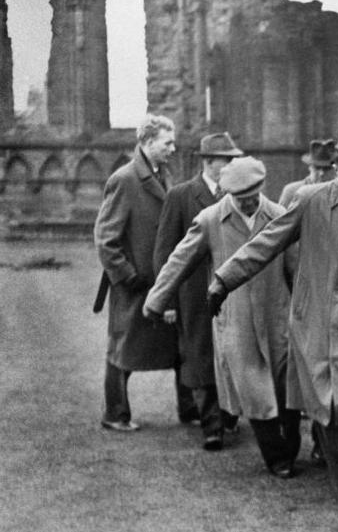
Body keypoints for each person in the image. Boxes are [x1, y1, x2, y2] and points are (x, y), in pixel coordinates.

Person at [206, 137, 338, 509]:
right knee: (329, 413)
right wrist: (223, 279)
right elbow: (265, 243)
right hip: (314, 326)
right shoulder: (310, 201)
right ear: (336, 170)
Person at [145, 157, 301, 477]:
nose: (247, 201)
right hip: (236, 321)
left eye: (252, 194)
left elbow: (296, 271)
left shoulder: (280, 217)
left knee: (285, 390)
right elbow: (179, 260)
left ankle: (291, 446)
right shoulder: (211, 220)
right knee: (255, 391)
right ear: (228, 193)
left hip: (277, 318)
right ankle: (277, 458)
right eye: (239, 196)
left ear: (262, 188)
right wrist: (157, 300)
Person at [94, 114, 190, 432]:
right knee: (123, 350)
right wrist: (129, 276)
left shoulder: (161, 175)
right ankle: (115, 413)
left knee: (180, 345)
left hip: (162, 281)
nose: (173, 148)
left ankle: (189, 409)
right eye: (167, 142)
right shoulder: (124, 179)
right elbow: (106, 239)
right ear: (148, 143)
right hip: (135, 286)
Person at [152, 132, 243, 451]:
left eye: (234, 159)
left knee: (233, 352)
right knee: (201, 355)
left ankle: (229, 413)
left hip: (233, 290)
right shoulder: (181, 196)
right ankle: (212, 425)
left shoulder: (240, 193)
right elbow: (165, 252)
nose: (232, 165)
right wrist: (166, 300)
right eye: (226, 160)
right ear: (208, 162)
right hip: (194, 294)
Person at [277, 137, 337, 467]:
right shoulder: (292, 193)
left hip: (331, 292)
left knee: (325, 369)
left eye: (326, 169)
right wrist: (291, 286)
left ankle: (322, 439)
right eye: (315, 168)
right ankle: (290, 440)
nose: (320, 175)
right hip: (299, 289)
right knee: (297, 368)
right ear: (307, 167)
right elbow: (283, 241)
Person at [278, 138, 337, 207]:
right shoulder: (292, 191)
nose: (321, 173)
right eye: (317, 168)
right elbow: (281, 216)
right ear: (310, 168)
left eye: (326, 169)